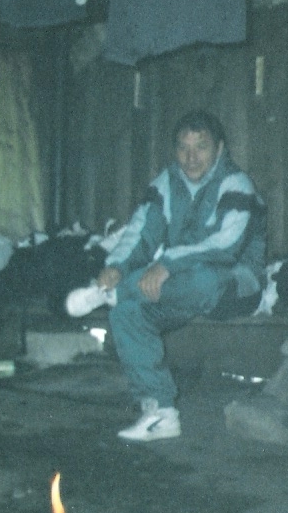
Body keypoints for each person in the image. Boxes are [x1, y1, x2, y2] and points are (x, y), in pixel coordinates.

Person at [66, 109, 267, 441]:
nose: (191, 157)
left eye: (201, 147)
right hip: (178, 289)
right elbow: (141, 234)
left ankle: (112, 293)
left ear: (219, 148)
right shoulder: (166, 183)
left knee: (203, 279)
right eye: (183, 148)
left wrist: (167, 265)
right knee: (127, 313)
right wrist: (117, 266)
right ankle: (160, 414)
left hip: (235, 285)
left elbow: (226, 247)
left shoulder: (236, 184)